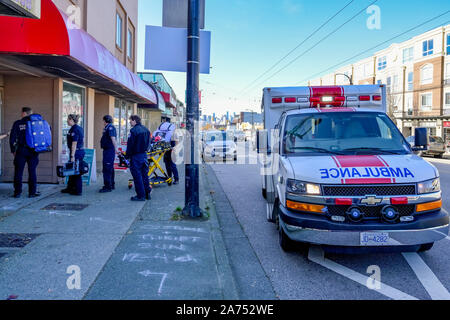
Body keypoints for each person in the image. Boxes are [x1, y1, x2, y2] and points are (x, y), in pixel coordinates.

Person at [9, 107, 40, 198]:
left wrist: (13, 150)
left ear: (23, 113)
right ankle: (32, 193)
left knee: (18, 172)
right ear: (31, 113)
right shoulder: (36, 123)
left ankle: (17, 193)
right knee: (32, 171)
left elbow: (12, 139)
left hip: (21, 150)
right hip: (33, 151)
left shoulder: (17, 123)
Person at [126, 115, 152, 201]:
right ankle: (147, 193)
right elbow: (149, 142)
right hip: (144, 155)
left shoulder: (133, 131)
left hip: (136, 156)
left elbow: (130, 145)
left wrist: (127, 156)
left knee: (137, 177)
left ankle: (141, 196)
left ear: (134, 121)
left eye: (130, 120)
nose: (130, 122)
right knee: (145, 175)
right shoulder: (146, 129)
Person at [62, 114, 85, 196]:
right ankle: (70, 188)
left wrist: (72, 156)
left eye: (68, 119)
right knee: (71, 170)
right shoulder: (75, 128)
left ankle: (78, 191)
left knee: (76, 171)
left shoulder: (75, 129)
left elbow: (74, 144)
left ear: (71, 120)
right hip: (77, 151)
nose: (67, 121)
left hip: (76, 152)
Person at [154, 118, 179, 185]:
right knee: (167, 164)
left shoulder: (172, 130)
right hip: (165, 150)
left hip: (171, 150)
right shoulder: (163, 130)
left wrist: (174, 148)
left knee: (172, 165)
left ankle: (176, 179)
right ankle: (170, 178)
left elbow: (177, 141)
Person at [99, 115, 118, 193]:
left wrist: (116, 149)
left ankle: (107, 186)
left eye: (103, 120)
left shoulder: (110, 128)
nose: (103, 122)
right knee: (109, 167)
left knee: (107, 168)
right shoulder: (107, 127)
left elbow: (113, 139)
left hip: (109, 150)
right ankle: (111, 184)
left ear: (105, 120)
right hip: (107, 150)